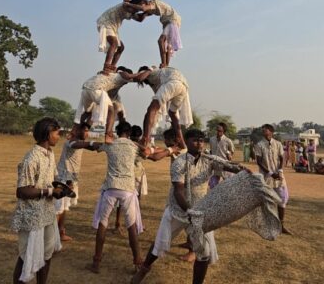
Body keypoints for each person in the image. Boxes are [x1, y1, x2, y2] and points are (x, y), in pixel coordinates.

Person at [131, 129, 244, 284]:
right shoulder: (179, 162)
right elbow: (178, 192)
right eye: (195, 140)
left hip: (200, 212)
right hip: (178, 211)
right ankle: (144, 269)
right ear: (187, 141)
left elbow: (228, 166)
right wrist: (189, 212)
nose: (199, 143)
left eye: (201, 140)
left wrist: (243, 170)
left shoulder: (209, 159)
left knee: (203, 252)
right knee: (160, 244)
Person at [10, 117, 68, 284]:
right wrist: (50, 191)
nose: (59, 136)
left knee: (47, 254)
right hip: (32, 216)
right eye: (57, 133)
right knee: (27, 257)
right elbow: (21, 191)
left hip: (47, 213)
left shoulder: (49, 153)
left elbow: (53, 178)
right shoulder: (31, 158)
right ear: (47, 133)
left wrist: (64, 187)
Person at [88, 121, 150, 274]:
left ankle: (96, 261)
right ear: (129, 133)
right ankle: (137, 261)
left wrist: (99, 139)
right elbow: (147, 153)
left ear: (117, 131)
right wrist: (138, 144)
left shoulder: (111, 144)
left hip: (110, 188)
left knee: (103, 224)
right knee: (131, 227)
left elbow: (94, 146)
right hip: (128, 189)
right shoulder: (133, 146)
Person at [124, 66, 192, 147]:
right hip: (183, 87)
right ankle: (182, 143)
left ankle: (145, 139)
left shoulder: (150, 70)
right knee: (172, 113)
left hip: (173, 82)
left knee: (151, 109)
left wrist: (130, 76)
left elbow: (140, 78)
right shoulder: (157, 81)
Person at [54, 123, 96, 242]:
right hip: (63, 179)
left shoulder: (79, 141)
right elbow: (77, 144)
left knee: (65, 208)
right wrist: (94, 144)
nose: (87, 133)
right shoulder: (71, 142)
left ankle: (61, 232)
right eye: (85, 130)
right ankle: (51, 239)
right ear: (77, 131)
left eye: (88, 131)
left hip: (71, 179)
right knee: (58, 209)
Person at [122, 0, 182, 68]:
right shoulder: (150, 9)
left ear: (143, 2)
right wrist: (131, 15)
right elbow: (141, 18)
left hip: (172, 20)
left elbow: (143, 9)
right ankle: (166, 65)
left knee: (161, 41)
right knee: (167, 45)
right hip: (169, 21)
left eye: (140, 5)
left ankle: (164, 64)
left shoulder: (153, 3)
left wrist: (129, 4)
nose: (139, 9)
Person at [253, 124, 291, 234]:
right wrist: (270, 173)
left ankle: (281, 225)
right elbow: (259, 161)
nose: (264, 131)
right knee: (267, 201)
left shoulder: (278, 144)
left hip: (278, 176)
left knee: (282, 198)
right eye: (263, 130)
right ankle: (270, 225)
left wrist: (280, 170)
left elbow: (281, 158)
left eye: (266, 130)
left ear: (271, 132)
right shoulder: (259, 145)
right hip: (266, 176)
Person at [74, 67, 131, 140]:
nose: (126, 83)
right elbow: (100, 75)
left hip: (113, 97)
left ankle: (122, 133)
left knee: (121, 114)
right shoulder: (114, 76)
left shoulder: (120, 79)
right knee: (91, 112)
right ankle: (80, 129)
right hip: (102, 94)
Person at [97, 0, 146, 73]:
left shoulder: (132, 11)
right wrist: (146, 8)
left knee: (120, 47)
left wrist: (147, 13)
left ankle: (112, 68)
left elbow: (140, 19)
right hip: (105, 22)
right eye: (141, 4)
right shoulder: (126, 5)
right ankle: (106, 66)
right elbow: (141, 9)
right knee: (114, 43)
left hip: (113, 27)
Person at [208, 122, 234, 188]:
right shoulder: (212, 139)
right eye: (217, 130)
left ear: (223, 131)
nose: (218, 132)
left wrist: (229, 155)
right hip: (215, 164)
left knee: (228, 184)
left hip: (224, 165)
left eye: (220, 131)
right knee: (213, 185)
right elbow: (211, 150)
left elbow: (231, 151)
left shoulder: (228, 141)